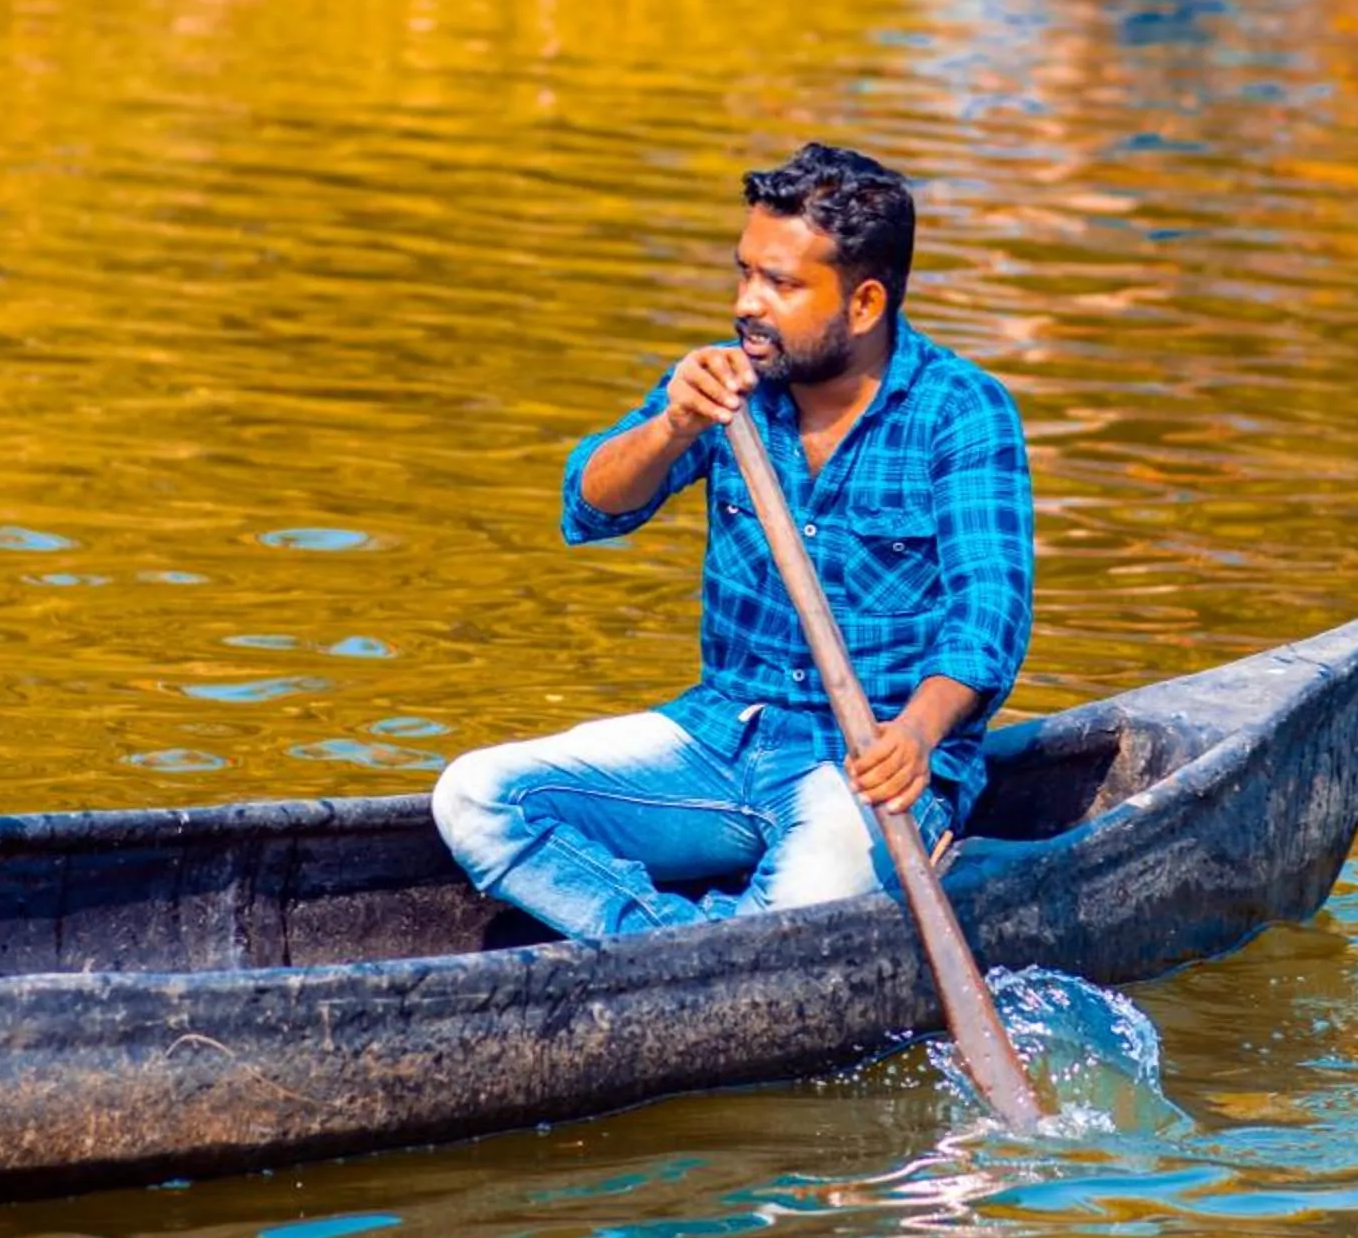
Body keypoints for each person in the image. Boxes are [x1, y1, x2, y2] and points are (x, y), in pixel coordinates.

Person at [432, 142, 1032, 937]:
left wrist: (916, 735)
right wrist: (675, 424)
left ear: (865, 305)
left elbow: (989, 618)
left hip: (865, 767)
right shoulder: (726, 384)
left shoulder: (961, 411)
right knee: (474, 796)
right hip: (723, 737)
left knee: (810, 900)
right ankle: (678, 947)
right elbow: (590, 505)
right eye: (745, 272)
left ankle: (697, 953)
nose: (749, 302)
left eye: (781, 284)